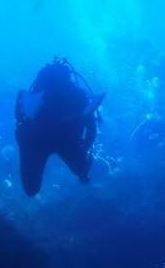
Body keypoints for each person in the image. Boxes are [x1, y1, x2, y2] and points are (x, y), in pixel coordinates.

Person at [14, 58, 104, 197]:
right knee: (82, 171)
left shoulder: (33, 97)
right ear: (69, 77)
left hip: (37, 142)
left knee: (31, 190)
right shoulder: (78, 95)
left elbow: (20, 119)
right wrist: (85, 147)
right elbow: (91, 128)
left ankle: (84, 173)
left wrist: (24, 140)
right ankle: (85, 175)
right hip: (67, 141)